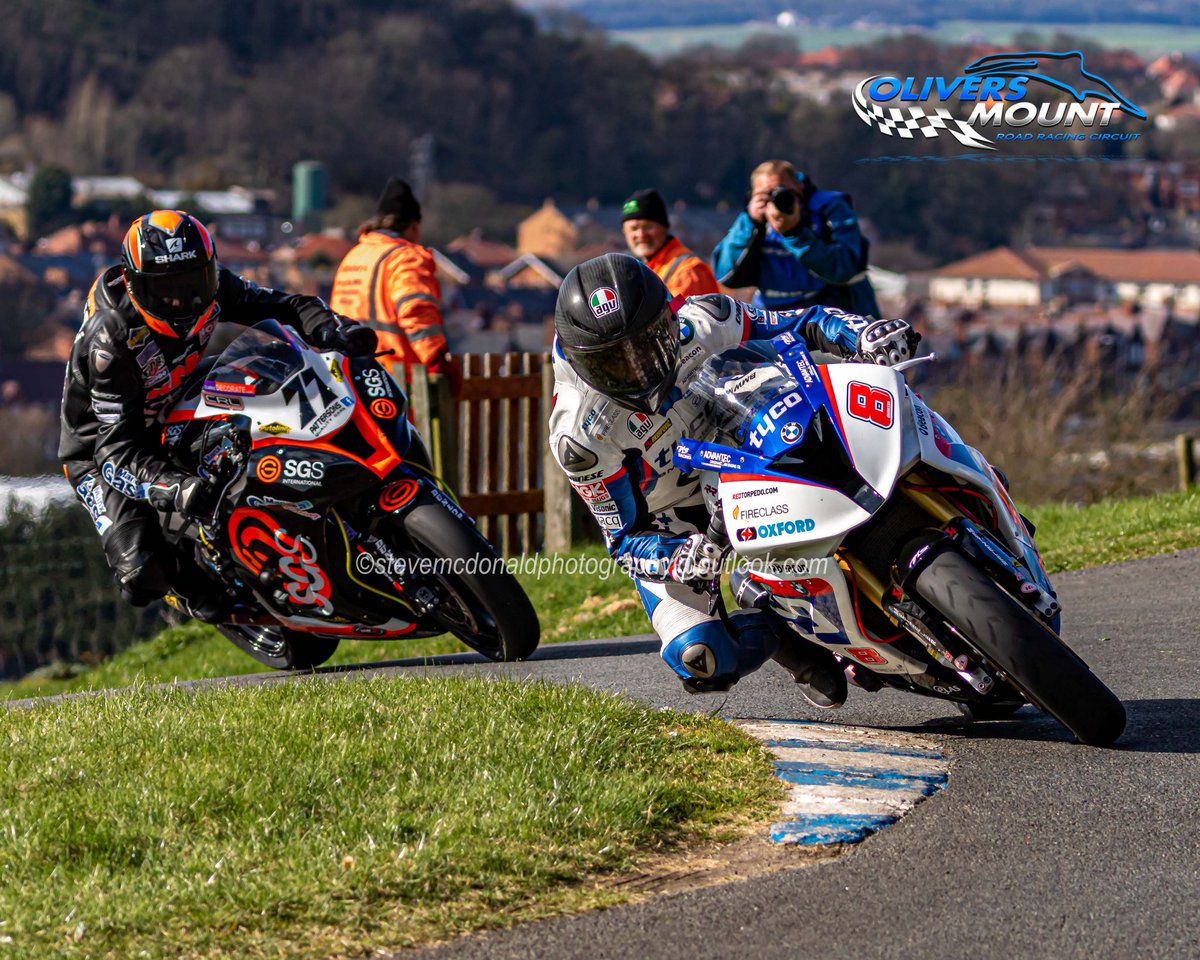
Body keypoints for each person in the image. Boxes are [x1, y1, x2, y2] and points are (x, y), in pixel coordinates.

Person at [549, 253, 918, 704]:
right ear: (580, 363)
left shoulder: (703, 319)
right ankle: (777, 623)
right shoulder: (579, 435)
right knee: (701, 659)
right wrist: (676, 558)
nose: (638, 369)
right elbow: (624, 539)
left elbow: (802, 322)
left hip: (746, 441)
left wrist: (860, 332)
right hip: (675, 521)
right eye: (614, 364)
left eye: (647, 345)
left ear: (668, 317)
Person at [59, 209, 377, 621]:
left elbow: (286, 304)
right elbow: (114, 450)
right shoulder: (111, 339)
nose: (183, 300)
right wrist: (175, 488)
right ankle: (192, 588)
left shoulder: (213, 287)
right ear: (136, 286)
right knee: (141, 573)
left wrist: (333, 327)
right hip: (104, 448)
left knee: (262, 418)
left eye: (194, 283)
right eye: (166, 290)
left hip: (178, 399)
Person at [331, 177, 462, 393]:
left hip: (352, 378)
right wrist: (438, 361)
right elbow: (417, 312)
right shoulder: (406, 257)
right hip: (397, 379)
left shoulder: (353, 256)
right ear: (412, 226)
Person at [712, 159, 880, 319]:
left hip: (837, 311)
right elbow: (724, 275)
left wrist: (794, 233)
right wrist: (751, 222)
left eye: (783, 193)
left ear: (799, 188)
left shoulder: (829, 207)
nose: (776, 202)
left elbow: (844, 268)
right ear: (754, 196)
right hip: (774, 314)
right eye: (765, 195)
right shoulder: (751, 220)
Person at [621, 188, 719, 299]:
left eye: (648, 227)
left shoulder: (688, 271)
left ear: (665, 228)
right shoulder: (644, 268)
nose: (641, 234)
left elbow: (681, 312)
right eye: (633, 228)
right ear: (624, 231)